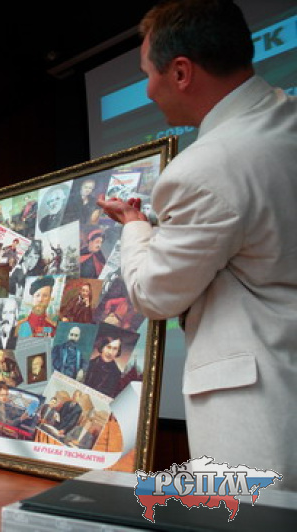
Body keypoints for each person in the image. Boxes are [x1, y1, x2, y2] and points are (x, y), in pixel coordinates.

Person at [97, 0, 297, 488]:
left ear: (181, 72)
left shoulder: (205, 167)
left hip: (263, 427)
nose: (148, 90)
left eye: (148, 74)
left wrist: (134, 224)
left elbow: (153, 294)